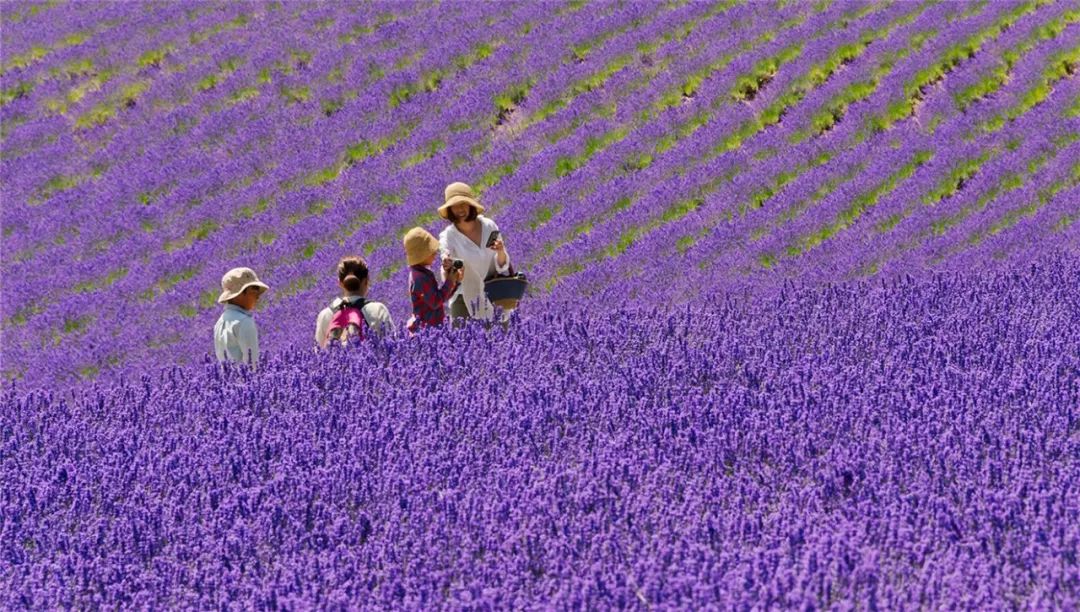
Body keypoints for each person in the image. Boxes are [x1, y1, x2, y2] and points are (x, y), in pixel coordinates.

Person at [437, 182, 511, 324]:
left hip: (494, 294)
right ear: (450, 210)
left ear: (471, 205)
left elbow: (502, 265)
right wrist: (447, 265)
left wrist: (501, 251)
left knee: (504, 341)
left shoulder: (489, 226)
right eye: (455, 205)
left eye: (463, 203)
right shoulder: (448, 236)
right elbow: (447, 269)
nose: (460, 209)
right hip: (464, 300)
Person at [314, 256, 394, 348]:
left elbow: (319, 352)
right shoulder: (378, 309)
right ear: (366, 281)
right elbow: (392, 343)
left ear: (340, 283)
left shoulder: (325, 314)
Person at [404, 226, 461, 333]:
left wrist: (455, 282)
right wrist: (449, 281)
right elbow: (436, 302)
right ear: (421, 255)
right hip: (428, 330)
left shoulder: (422, 273)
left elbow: (439, 298)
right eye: (431, 251)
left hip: (433, 327)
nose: (435, 253)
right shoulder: (420, 278)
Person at [213, 267, 269, 368]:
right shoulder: (244, 321)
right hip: (244, 381)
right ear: (239, 294)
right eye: (254, 290)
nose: (258, 296)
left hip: (225, 381)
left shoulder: (220, 321)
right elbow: (252, 364)